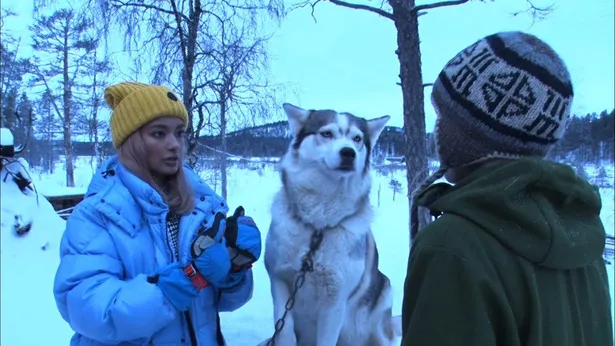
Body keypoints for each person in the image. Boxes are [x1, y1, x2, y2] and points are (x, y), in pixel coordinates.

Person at [401, 31, 613, 346]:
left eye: (442, 116)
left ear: (469, 134)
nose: (436, 130)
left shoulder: (452, 244)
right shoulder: (581, 235)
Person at [53, 81, 262, 346]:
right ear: (132, 141)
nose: (174, 144)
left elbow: (220, 304)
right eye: (159, 134)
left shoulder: (200, 206)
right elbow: (90, 312)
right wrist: (183, 281)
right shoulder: (97, 215)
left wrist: (235, 266)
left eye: (179, 133)